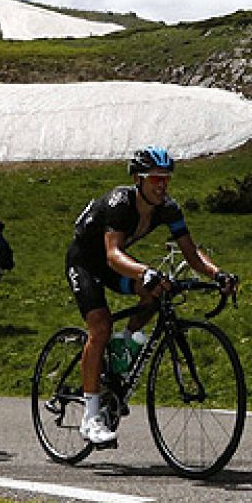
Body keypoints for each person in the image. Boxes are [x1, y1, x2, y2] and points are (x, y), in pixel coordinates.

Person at [65, 147, 237, 446]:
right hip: (85, 263)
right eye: (156, 178)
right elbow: (113, 253)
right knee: (100, 327)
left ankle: (125, 341)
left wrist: (217, 274)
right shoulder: (120, 202)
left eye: (166, 179)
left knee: (157, 293)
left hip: (113, 265)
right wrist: (144, 271)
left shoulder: (168, 208)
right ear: (138, 179)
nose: (162, 185)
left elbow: (191, 252)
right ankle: (90, 417)